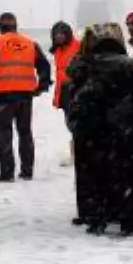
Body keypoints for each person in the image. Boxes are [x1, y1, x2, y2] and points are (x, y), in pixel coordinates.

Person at [67, 23, 133, 237]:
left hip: (95, 132)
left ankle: (97, 220)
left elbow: (80, 99)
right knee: (125, 176)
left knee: (96, 176)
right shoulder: (130, 65)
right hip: (125, 130)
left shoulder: (90, 65)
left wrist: (78, 124)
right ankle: (128, 222)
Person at [0, 12, 52, 182]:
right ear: (16, 25)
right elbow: (44, 66)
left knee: (4, 132)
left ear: (0, 26)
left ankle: (7, 172)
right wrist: (42, 85)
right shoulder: (30, 43)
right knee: (25, 132)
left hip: (2, 96)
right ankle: (27, 170)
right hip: (25, 95)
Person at [50, 21, 81, 167]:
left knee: (77, 125)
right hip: (64, 91)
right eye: (56, 35)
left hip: (75, 89)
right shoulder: (58, 50)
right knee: (70, 124)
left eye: (62, 34)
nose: (59, 37)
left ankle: (78, 155)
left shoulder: (78, 46)